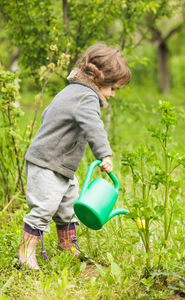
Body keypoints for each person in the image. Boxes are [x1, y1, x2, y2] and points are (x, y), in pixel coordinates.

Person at [18, 43, 131, 270]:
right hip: (47, 163)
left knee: (68, 205)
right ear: (100, 79)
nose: (112, 94)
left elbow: (47, 114)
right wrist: (104, 153)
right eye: (112, 88)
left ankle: (67, 244)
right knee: (44, 207)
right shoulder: (87, 97)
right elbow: (93, 125)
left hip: (60, 164)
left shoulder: (71, 91)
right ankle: (26, 251)